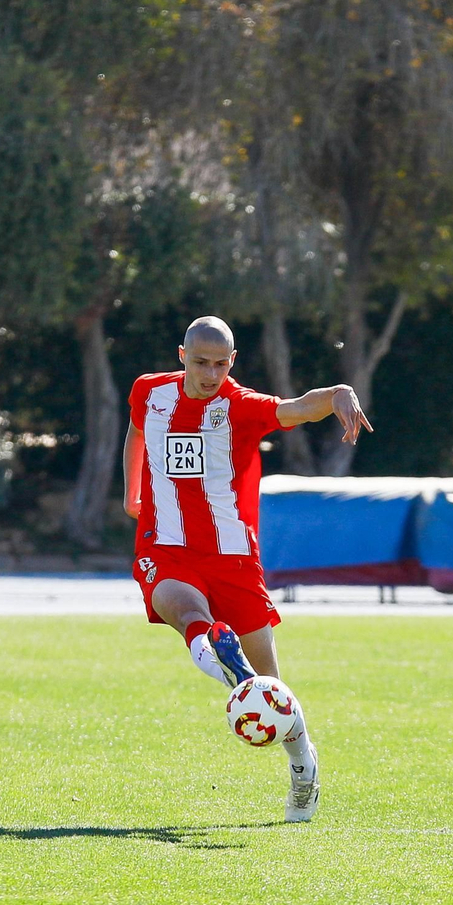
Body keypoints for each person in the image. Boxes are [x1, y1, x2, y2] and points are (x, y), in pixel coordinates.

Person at [122, 315, 373, 823]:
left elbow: (296, 408)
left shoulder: (238, 406)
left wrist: (338, 393)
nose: (210, 373)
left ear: (232, 362)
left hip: (233, 557)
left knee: (273, 691)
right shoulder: (149, 392)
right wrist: (131, 493)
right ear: (181, 356)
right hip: (166, 545)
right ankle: (224, 655)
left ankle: (303, 766)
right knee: (177, 603)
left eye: (220, 363)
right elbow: (134, 430)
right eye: (200, 362)